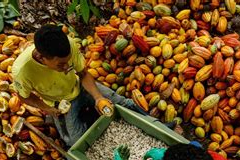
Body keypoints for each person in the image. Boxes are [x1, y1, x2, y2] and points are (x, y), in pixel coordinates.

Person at [11, 24, 142, 146]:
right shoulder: (22, 70)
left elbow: (83, 74)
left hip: (80, 87)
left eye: (67, 61)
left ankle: (155, 123)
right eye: (60, 64)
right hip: (60, 103)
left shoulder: (69, 44)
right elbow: (24, 96)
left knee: (123, 103)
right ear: (41, 58)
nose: (67, 67)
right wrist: (46, 108)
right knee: (74, 142)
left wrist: (98, 97)